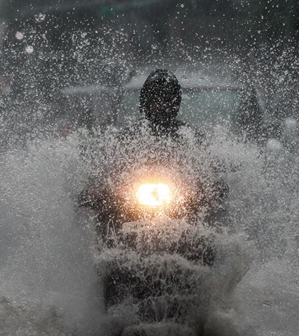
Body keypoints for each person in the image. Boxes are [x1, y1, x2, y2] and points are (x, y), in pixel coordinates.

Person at [79, 69, 227, 228]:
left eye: (167, 99)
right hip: (129, 210)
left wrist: (213, 189)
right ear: (145, 101)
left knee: (209, 220)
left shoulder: (191, 137)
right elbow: (104, 171)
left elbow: (211, 173)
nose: (161, 104)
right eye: (155, 99)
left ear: (175, 103)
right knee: (105, 217)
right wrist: (96, 189)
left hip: (182, 210)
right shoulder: (126, 137)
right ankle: (105, 250)